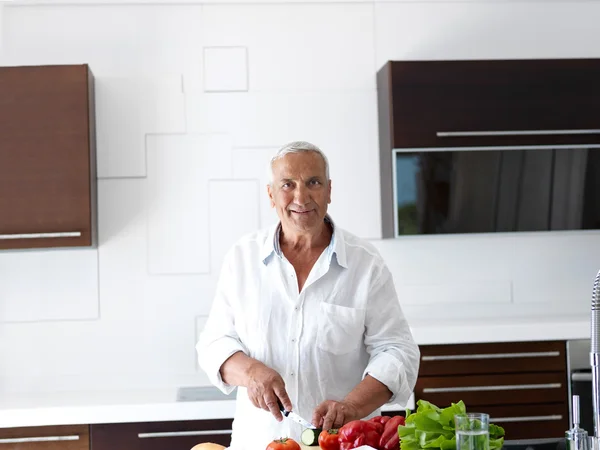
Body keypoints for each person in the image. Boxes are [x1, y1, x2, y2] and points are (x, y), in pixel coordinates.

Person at [196, 141, 420, 450]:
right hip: (258, 442)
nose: (301, 197)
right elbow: (212, 344)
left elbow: (398, 352)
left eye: (313, 182)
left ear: (329, 191)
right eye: (288, 184)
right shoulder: (241, 258)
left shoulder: (366, 264)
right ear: (271, 195)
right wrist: (252, 373)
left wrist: (352, 406)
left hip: (341, 443)